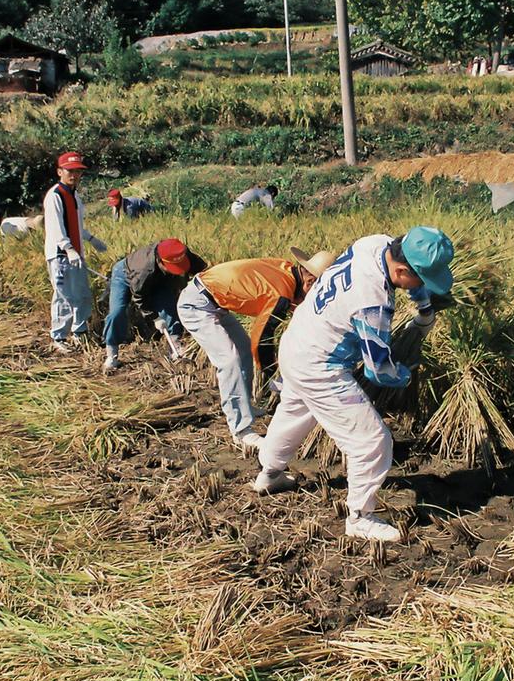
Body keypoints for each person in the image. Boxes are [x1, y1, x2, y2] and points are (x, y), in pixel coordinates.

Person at [251, 227, 454, 543]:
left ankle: (269, 474)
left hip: (297, 341)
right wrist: (406, 371)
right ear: (402, 270)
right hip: (320, 366)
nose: (423, 286)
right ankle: (360, 518)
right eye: (421, 280)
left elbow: (409, 280)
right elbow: (378, 370)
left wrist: (423, 306)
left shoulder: (374, 244)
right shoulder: (372, 303)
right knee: (372, 441)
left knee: (294, 412)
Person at [177, 246, 336, 450]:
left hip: (215, 301)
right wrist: (271, 376)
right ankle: (241, 430)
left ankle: (245, 406)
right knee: (230, 360)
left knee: (242, 349)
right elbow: (262, 338)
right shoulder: (280, 292)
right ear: (310, 281)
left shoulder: (287, 271)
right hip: (196, 304)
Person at [101, 238, 208, 371]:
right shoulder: (144, 270)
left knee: (170, 308)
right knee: (117, 312)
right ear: (160, 261)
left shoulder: (179, 252)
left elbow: (203, 271)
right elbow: (139, 297)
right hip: (124, 275)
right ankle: (112, 353)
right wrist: (155, 318)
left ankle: (175, 346)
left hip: (159, 278)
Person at [44, 152, 108, 353]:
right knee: (64, 296)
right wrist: (68, 248)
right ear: (60, 171)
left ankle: (79, 333)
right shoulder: (55, 196)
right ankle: (59, 336)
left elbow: (76, 225)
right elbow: (56, 228)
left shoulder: (75, 195)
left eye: (78, 171)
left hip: (76, 254)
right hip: (61, 255)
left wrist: (90, 239)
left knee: (82, 294)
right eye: (70, 171)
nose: (74, 175)